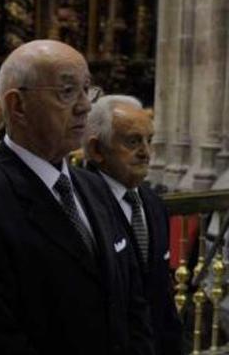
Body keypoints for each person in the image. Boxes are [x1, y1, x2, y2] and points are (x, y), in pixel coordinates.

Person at [0, 40, 153, 355]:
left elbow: (133, 302)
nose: (84, 106)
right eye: (67, 92)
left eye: (86, 90)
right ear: (18, 106)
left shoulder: (95, 187)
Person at [84, 95, 181, 355]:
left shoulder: (152, 203)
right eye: (133, 141)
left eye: (150, 140)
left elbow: (162, 296)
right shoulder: (81, 203)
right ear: (97, 150)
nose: (146, 153)